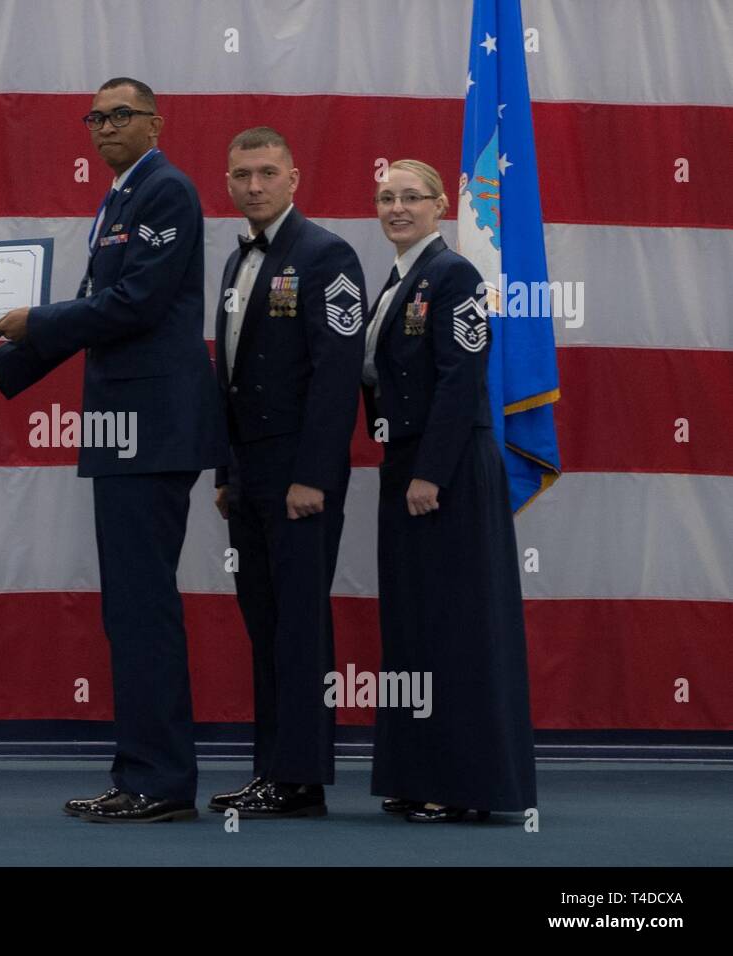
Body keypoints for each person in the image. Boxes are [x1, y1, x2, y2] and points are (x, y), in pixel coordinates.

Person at [0, 77, 228, 822]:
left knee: (142, 609)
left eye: (121, 115)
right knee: (131, 608)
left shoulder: (166, 191)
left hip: (153, 429)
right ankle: (142, 772)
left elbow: (134, 304)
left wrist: (35, 321)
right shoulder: (119, 199)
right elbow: (96, 313)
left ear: (155, 122)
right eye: (95, 117)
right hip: (125, 430)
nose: (105, 126)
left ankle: (160, 782)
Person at [363, 159, 537, 822]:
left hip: (450, 470)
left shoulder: (454, 275)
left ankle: (464, 786)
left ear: (441, 205)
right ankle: (416, 772)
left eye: (411, 197)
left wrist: (431, 472)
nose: (397, 207)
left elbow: (463, 377)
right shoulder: (397, 280)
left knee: (455, 630)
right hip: (404, 465)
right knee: (413, 628)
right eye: (386, 197)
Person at [207, 128, 366, 817]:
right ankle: (272, 769)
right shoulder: (235, 260)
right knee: (264, 623)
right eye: (242, 174)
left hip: (300, 472)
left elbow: (338, 375)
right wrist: (223, 469)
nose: (254, 185)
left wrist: (315, 475)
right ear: (227, 180)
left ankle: (300, 778)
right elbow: (229, 375)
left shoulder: (328, 254)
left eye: (268, 172)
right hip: (247, 472)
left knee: (299, 626)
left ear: (295, 178)